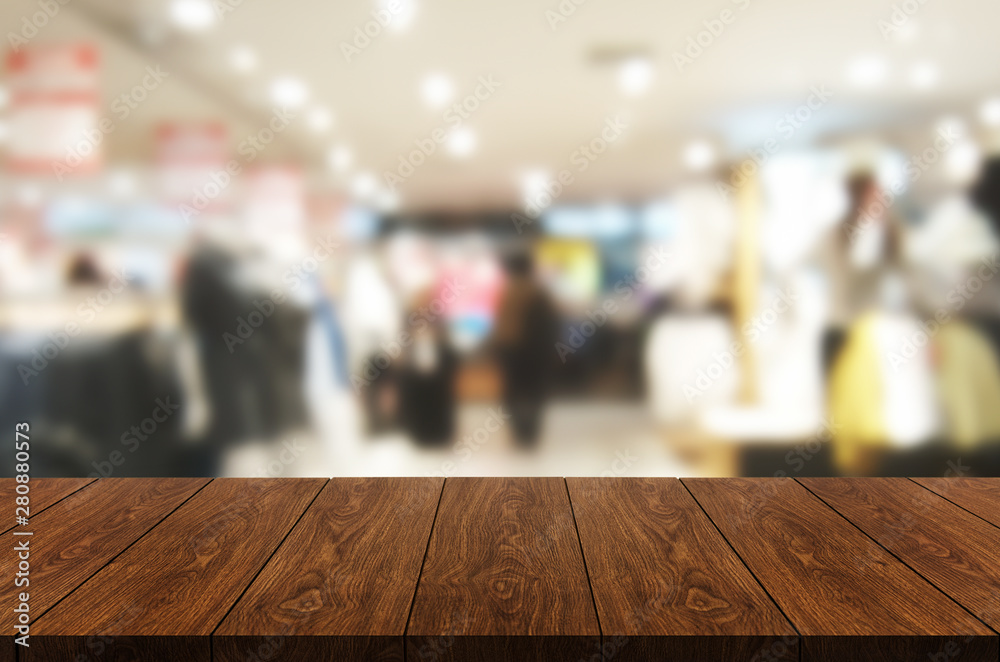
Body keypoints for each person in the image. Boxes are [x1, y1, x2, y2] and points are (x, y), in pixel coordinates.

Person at [491, 250, 559, 448]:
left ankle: (520, 432)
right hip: (535, 354)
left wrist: (498, 353)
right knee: (535, 394)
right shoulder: (538, 293)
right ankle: (529, 432)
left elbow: (500, 329)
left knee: (512, 393)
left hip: (510, 353)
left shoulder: (508, 293)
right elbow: (549, 327)